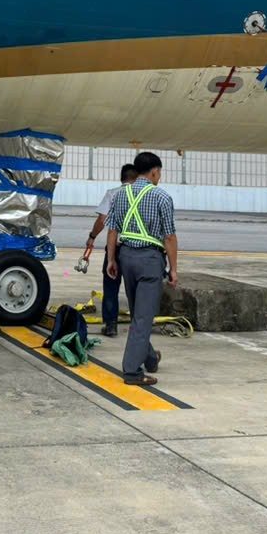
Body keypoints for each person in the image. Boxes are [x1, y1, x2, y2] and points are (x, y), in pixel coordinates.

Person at [105, 152, 178, 387]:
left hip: (126, 257)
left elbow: (112, 231)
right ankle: (132, 371)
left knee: (139, 312)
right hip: (149, 260)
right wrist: (174, 269)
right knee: (144, 317)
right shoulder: (162, 197)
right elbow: (169, 236)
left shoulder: (120, 195)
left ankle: (150, 358)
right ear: (155, 171)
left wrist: (111, 260)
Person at [83, 163, 139, 337]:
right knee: (137, 288)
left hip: (115, 246)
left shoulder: (113, 193)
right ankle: (138, 325)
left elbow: (102, 220)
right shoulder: (144, 194)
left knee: (111, 286)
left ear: (121, 178)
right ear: (137, 178)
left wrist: (92, 236)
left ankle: (111, 325)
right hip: (138, 249)